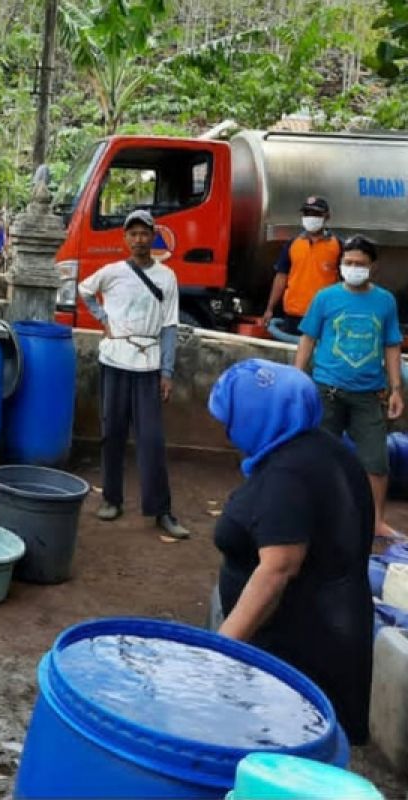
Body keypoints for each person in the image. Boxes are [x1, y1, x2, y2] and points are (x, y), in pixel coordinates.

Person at [209, 358, 373, 744]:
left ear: (254, 417)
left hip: (294, 653)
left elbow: (277, 570)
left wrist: (216, 652)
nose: (228, 433)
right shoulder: (328, 449)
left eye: (231, 420)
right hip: (337, 632)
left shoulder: (288, 476)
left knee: (274, 760)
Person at [77, 209, 191, 541]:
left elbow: (170, 326)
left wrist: (167, 372)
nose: (139, 240)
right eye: (133, 234)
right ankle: (111, 499)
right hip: (114, 360)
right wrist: (103, 319)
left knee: (152, 440)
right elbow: (84, 290)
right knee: (112, 432)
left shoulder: (166, 277)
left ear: (153, 237)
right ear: (125, 238)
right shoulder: (111, 273)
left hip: (148, 364)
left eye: (145, 234)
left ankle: (160, 509)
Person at [294, 234, 403, 538]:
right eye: (348, 262)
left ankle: (375, 521)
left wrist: (396, 389)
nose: (353, 267)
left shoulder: (385, 301)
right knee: (318, 457)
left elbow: (392, 345)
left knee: (376, 461)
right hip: (326, 390)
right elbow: (308, 339)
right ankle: (315, 517)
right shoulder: (325, 298)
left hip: (369, 394)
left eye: (360, 264)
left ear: (374, 267)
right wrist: (296, 377)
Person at [262, 195, 341, 335]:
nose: (311, 217)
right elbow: (281, 278)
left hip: (324, 317)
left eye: (316, 214)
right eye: (307, 213)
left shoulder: (338, 246)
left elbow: (345, 283)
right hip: (294, 315)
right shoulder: (293, 244)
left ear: (327, 216)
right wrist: (270, 308)